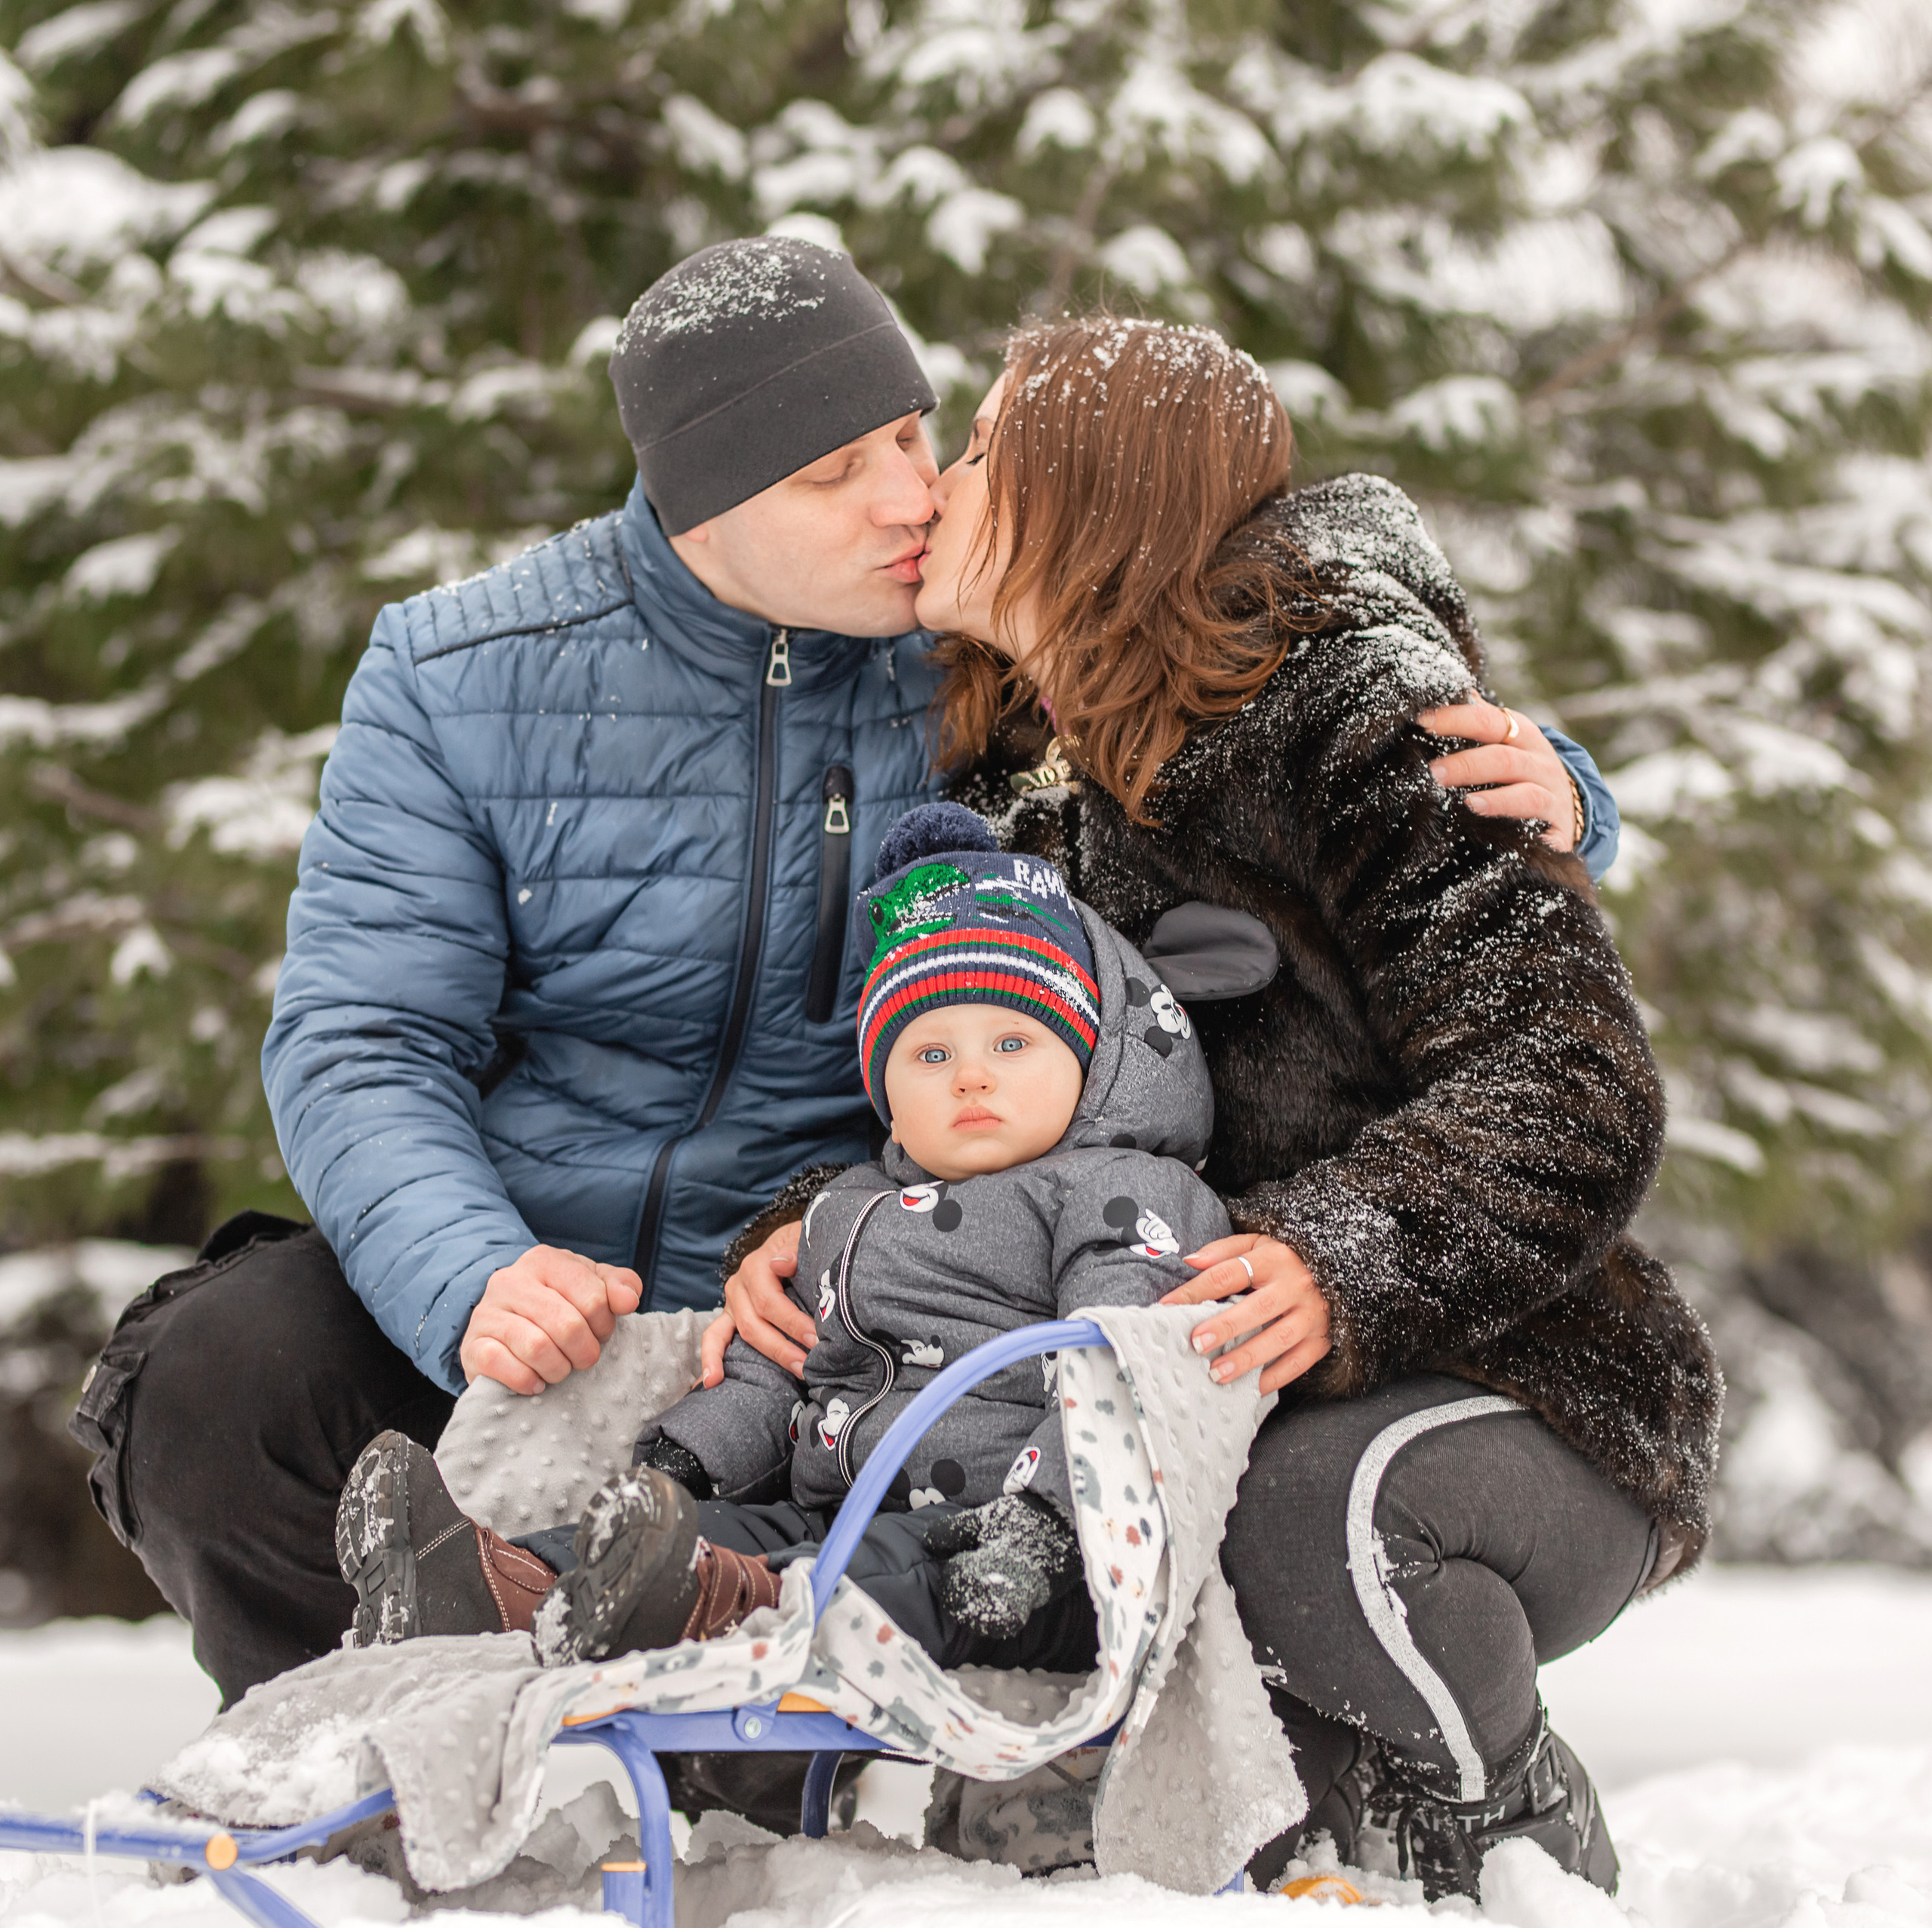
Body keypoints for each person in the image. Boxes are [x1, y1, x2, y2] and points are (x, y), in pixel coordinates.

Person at [69, 235, 1614, 1714]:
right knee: (216, 1374)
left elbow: (1226, 660)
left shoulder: (976, 659)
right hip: (543, 1293)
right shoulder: (462, 674)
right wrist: (475, 1269)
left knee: (952, 1453)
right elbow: (360, 1034)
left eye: (910, 435)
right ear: (702, 500)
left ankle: (713, 1700)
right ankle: (369, 1732)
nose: (912, 498)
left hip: (859, 1309)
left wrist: (1538, 786)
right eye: (834, 472)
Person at [715, 316, 1724, 1903]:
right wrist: (810, 1238)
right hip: (1206, 1407)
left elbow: (1571, 1083)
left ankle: (1511, 1823)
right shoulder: (1019, 800)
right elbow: (974, 1090)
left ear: (1085, 492)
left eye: (980, 449)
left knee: (1295, 1515)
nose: (945, 489)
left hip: (1506, 1383)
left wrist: (1334, 1253)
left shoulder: (1362, 717)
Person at [331, 803, 1227, 1679]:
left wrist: (1050, 1522)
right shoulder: (847, 1210)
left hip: (1017, 1543)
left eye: (1011, 1040)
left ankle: (717, 1610)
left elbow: (1129, 1369)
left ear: (1087, 1059)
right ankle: (496, 1580)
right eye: (930, 1056)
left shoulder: (1123, 1192)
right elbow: (778, 1362)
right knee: (729, 1538)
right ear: (886, 1093)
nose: (972, 1077)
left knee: (880, 1572)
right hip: (828, 1507)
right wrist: (689, 1456)